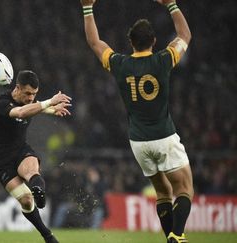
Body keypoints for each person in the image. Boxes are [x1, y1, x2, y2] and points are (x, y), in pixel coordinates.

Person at [80, 0, 193, 242]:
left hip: (139, 142)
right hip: (164, 135)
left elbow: (94, 43)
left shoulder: (120, 64)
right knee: (184, 189)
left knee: (162, 192)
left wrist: (87, 8)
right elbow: (184, 34)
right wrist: (172, 4)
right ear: (154, 41)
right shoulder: (164, 59)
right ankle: (178, 234)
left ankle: (169, 237)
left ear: (131, 43)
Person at [0, 70, 71, 243]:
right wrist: (49, 103)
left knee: (32, 171)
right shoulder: (1, 105)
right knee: (26, 200)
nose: (31, 98)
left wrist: (51, 109)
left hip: (20, 150)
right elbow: (20, 113)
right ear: (17, 88)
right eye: (27, 93)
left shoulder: (30, 101)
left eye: (34, 94)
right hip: (0, 161)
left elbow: (33, 107)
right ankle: (47, 234)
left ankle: (39, 192)